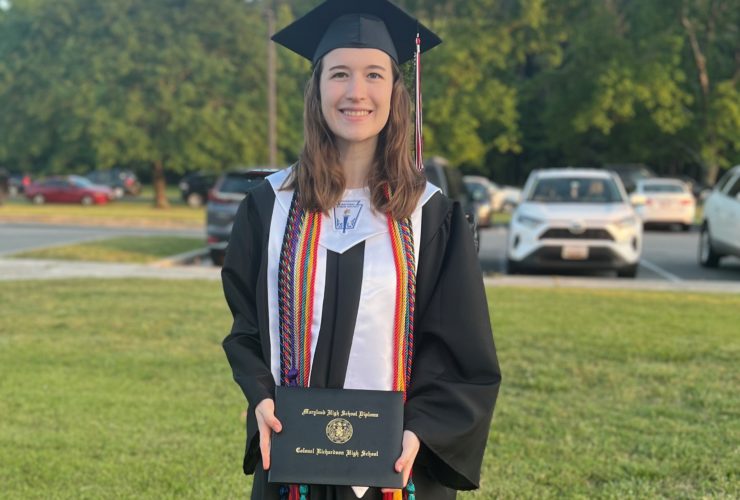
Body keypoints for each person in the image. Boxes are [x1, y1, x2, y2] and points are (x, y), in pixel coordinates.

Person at [221, 1, 501, 499]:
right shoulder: (269, 208)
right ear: (316, 89)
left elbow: (461, 350)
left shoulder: (431, 216)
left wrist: (422, 430)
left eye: (374, 74)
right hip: (292, 461)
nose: (356, 92)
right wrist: (261, 396)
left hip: (398, 464)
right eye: (339, 74)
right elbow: (247, 329)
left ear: (395, 91)